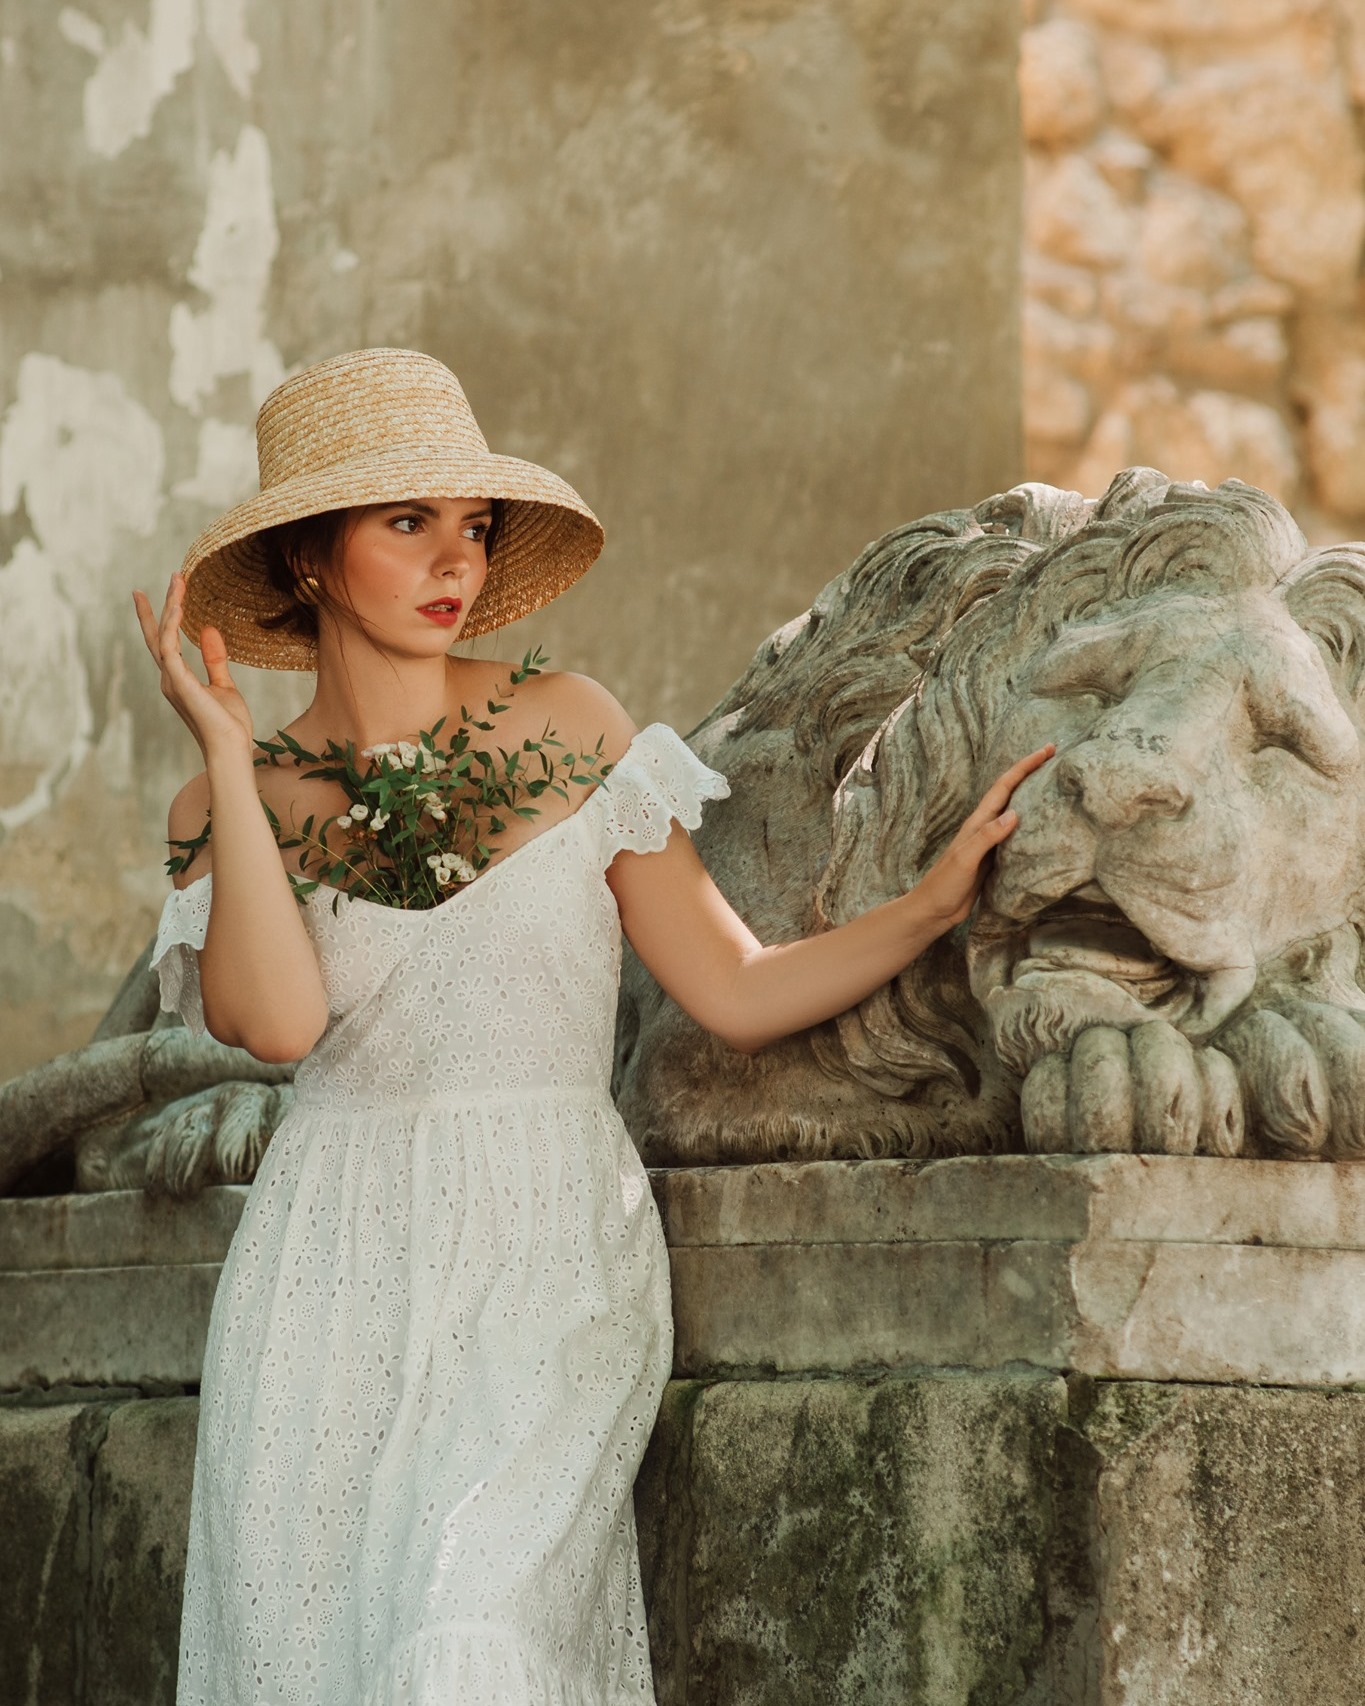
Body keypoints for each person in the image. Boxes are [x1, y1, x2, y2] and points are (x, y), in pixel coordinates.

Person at [135, 347, 1051, 1706]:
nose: (455, 559)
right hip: (326, 1270)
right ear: (312, 561)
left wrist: (924, 910)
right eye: (408, 523)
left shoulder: (571, 725)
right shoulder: (239, 797)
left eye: (474, 525)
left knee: (467, 1642)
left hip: (548, 1248)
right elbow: (275, 1023)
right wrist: (223, 753)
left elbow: (732, 989)